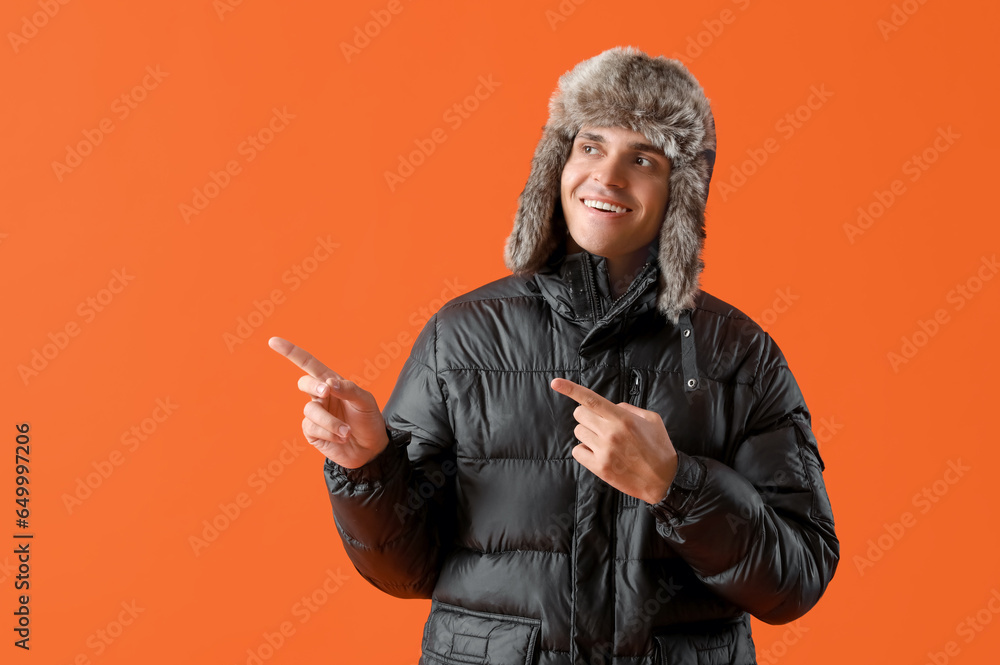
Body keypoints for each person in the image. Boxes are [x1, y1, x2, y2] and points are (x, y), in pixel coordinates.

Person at [269, 46, 838, 665]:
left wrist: (678, 488)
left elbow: (798, 579)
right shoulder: (460, 336)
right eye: (591, 146)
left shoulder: (738, 354)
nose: (608, 177)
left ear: (681, 190)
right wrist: (370, 469)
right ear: (557, 162)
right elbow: (405, 573)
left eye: (641, 158)